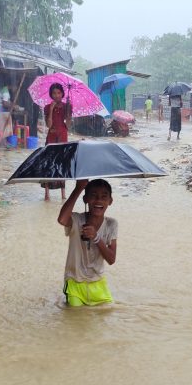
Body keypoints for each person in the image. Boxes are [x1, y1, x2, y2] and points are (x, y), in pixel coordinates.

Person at [57, 179, 117, 307]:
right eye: (93, 196)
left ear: (110, 201)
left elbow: (111, 259)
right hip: (74, 282)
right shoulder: (77, 220)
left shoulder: (111, 224)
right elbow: (62, 219)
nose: (99, 201)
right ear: (85, 199)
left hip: (98, 282)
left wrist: (96, 237)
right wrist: (78, 188)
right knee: (76, 317)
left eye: (104, 197)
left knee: (108, 314)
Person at [43, 82, 72, 201]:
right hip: (51, 137)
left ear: (62, 94)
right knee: (49, 164)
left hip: (63, 137)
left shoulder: (67, 106)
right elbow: (49, 125)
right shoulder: (47, 107)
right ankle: (46, 194)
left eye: (59, 93)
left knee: (62, 164)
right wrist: (51, 109)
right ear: (51, 94)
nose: (56, 95)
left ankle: (63, 194)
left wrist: (69, 112)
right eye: (54, 93)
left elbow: (68, 125)